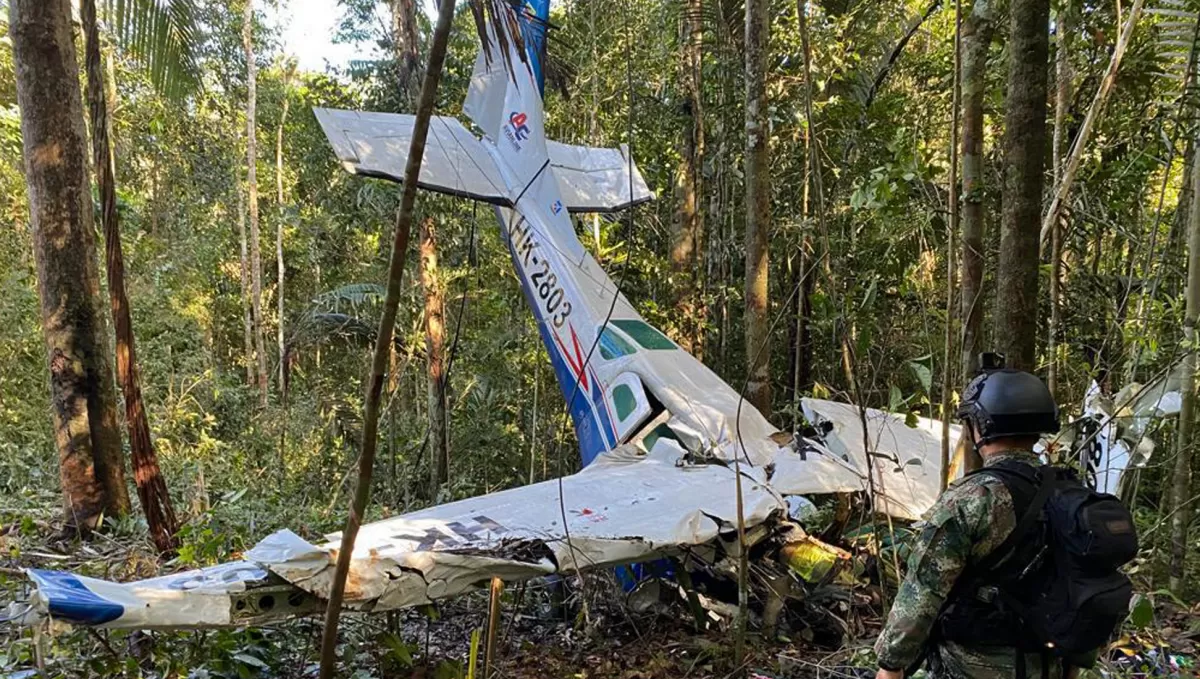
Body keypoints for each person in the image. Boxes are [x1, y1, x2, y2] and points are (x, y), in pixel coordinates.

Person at [873, 367, 1098, 679]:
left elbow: (922, 590)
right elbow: (1089, 583)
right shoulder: (1072, 493)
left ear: (980, 425)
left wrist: (890, 665)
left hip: (973, 666)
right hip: (1052, 666)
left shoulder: (973, 497)